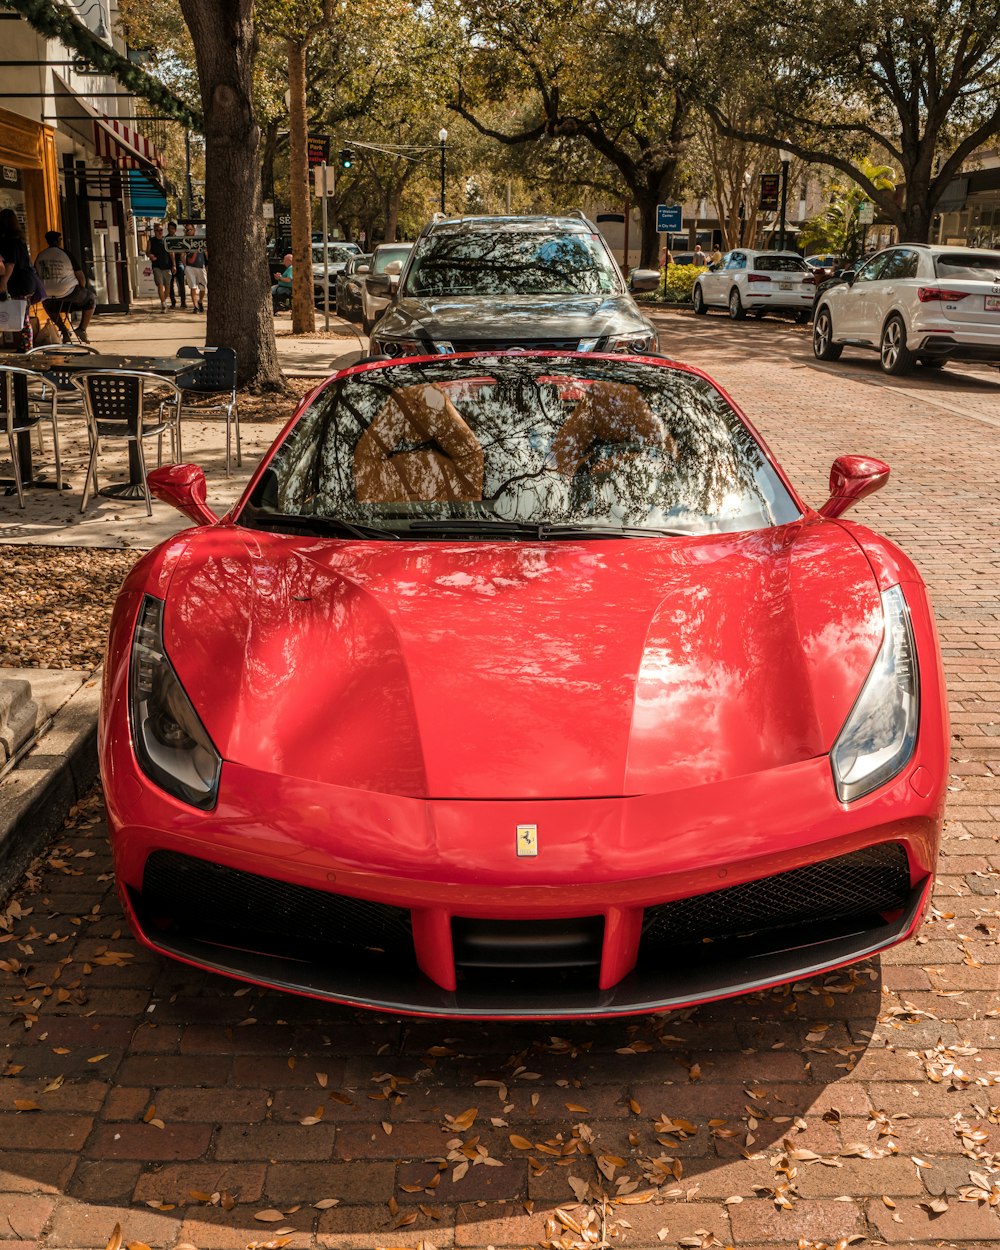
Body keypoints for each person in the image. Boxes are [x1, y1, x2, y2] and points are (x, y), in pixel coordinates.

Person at [35, 230, 97, 343]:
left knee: (47, 304)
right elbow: (80, 276)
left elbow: (37, 274)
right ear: (59, 241)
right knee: (91, 299)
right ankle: (82, 329)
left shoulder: (41, 255)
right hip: (69, 291)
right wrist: (82, 289)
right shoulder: (66, 254)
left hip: (48, 294)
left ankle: (64, 331)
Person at [0, 208, 39, 350]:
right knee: (23, 314)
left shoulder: (8, 242)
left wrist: (3, 281)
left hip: (18, 282)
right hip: (27, 282)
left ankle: (26, 346)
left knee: (21, 316)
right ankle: (26, 346)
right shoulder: (19, 240)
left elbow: (10, 264)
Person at [146, 222, 174, 312]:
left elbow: (171, 253)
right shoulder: (151, 240)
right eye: (157, 230)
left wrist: (174, 265)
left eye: (161, 230)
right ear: (154, 231)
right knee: (160, 286)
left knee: (168, 288)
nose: (159, 232)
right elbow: (147, 251)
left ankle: (163, 301)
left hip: (167, 266)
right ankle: (164, 305)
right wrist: (150, 255)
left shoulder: (166, 240)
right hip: (157, 266)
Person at [183, 223, 207, 313]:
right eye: (187, 230)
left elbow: (206, 252)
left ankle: (200, 301)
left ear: (194, 230)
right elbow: (182, 254)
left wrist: (207, 265)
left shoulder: (200, 240)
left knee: (202, 288)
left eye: (190, 229)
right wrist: (185, 265)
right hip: (190, 267)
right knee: (193, 287)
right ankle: (195, 307)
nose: (188, 231)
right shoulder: (184, 241)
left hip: (200, 266)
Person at [166, 221, 186, 308]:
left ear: (175, 230)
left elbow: (182, 252)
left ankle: (183, 302)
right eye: (169, 228)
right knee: (170, 284)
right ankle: (173, 302)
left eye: (172, 229)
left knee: (181, 283)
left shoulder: (178, 240)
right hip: (168, 264)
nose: (170, 230)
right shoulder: (165, 240)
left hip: (179, 263)